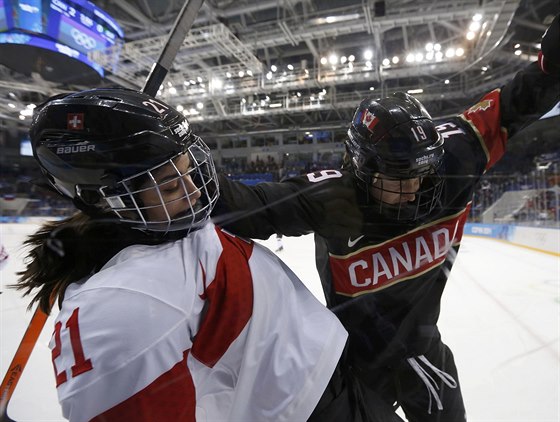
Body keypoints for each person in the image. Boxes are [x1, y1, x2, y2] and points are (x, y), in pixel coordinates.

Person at [213, 16, 560, 422]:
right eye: (398, 177)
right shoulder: (330, 197)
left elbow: (517, 102)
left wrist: (550, 67)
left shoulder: (458, 154)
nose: (413, 188)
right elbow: (242, 205)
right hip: (354, 366)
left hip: (425, 352)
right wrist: (179, 173)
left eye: (420, 173)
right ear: (363, 169)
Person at [12, 88, 396, 422]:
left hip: (331, 386)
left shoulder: (158, 221)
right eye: (170, 182)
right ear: (104, 198)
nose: (196, 191)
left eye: (188, 170)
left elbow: (239, 205)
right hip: (308, 410)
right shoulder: (119, 309)